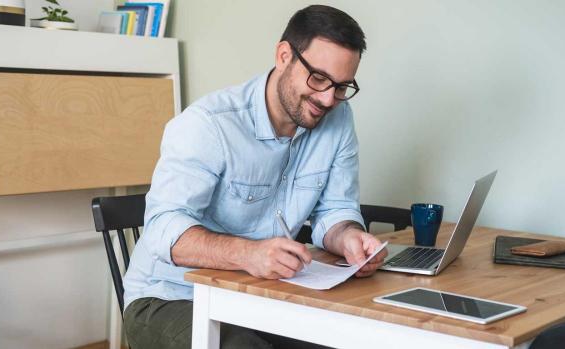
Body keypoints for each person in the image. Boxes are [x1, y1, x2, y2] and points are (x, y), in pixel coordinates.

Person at [122, 5, 388, 349]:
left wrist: (350, 237)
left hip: (262, 299)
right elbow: (162, 229)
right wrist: (248, 253)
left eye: (341, 87)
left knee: (352, 341)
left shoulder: (338, 120)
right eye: (318, 79)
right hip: (168, 299)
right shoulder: (209, 124)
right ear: (283, 56)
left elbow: (335, 210)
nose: (327, 99)